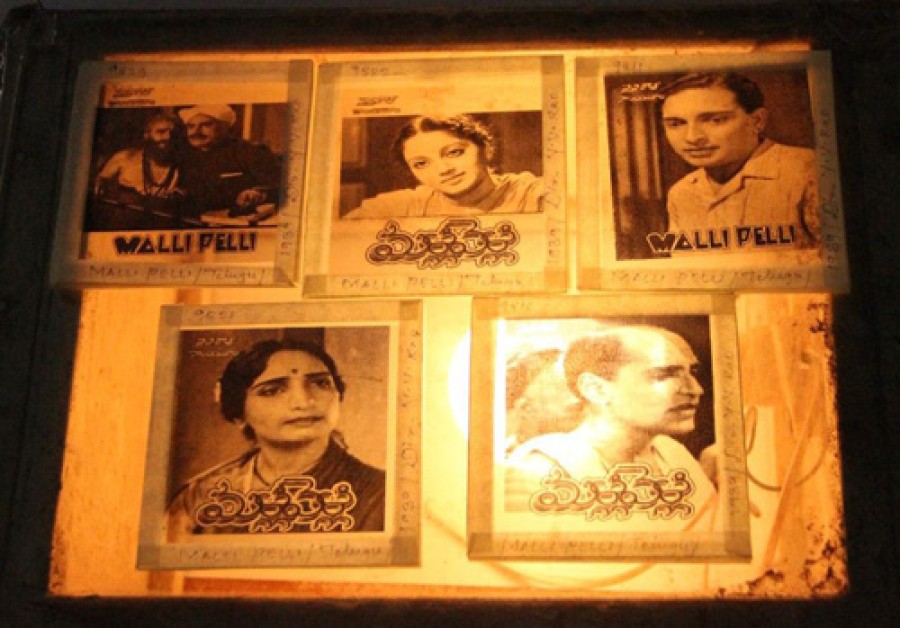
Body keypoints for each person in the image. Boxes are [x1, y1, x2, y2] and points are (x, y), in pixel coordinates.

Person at [168, 339, 385, 536]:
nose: (303, 402)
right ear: (239, 414)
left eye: (320, 383)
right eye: (272, 390)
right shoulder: (199, 496)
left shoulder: (381, 494)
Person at [505, 326, 716, 514]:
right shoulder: (541, 468)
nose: (696, 390)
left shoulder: (671, 453)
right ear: (596, 389)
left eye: (692, 373)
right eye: (663, 375)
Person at [659, 72, 819, 248]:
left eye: (715, 120)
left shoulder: (809, 171)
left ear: (757, 121)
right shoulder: (681, 193)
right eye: (676, 124)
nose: (692, 137)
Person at [345, 113, 546, 218]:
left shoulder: (531, 195)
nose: (444, 169)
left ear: (485, 149)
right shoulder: (404, 206)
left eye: (454, 152)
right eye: (421, 163)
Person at [176, 104, 283, 219]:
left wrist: (259, 193)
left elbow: (281, 187)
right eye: (191, 126)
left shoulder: (249, 152)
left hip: (238, 220)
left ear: (225, 127)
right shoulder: (186, 156)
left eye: (206, 125)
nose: (196, 132)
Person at [90, 113, 184, 229]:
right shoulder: (125, 157)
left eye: (173, 134)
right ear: (147, 135)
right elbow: (100, 184)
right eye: (161, 132)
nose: (168, 137)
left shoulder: (183, 166)